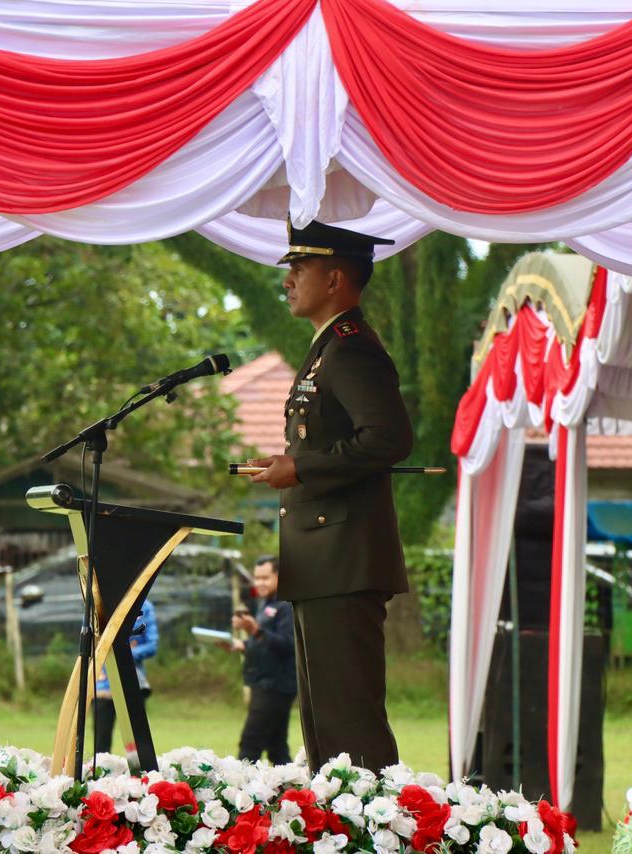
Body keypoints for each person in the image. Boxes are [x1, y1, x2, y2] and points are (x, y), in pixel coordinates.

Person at [247, 220, 413, 772]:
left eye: (300, 269)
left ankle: (370, 830)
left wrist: (301, 468)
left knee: (349, 720)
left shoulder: (351, 349)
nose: (288, 280)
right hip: (322, 559)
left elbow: (387, 437)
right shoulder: (326, 349)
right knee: (321, 724)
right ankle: (334, 827)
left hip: (344, 559)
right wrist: (294, 466)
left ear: (336, 278)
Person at [225, 556, 296, 764]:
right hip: (262, 682)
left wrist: (254, 629)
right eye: (257, 578)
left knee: (250, 744)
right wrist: (242, 645)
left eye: (265, 578)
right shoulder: (264, 604)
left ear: (279, 577)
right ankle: (296, 793)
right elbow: (264, 643)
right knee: (277, 748)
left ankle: (240, 793)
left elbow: (288, 645)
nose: (259, 583)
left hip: (276, 686)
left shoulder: (287, 605)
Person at [92, 597, 158, 755]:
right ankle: (102, 777)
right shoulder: (96, 605)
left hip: (132, 681)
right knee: (101, 743)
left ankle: (140, 778)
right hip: (102, 686)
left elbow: (152, 645)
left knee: (138, 743)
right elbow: (90, 642)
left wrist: (122, 651)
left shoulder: (145, 607)